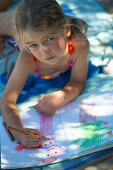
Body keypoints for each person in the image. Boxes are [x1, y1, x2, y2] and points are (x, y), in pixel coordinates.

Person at [1, 0, 89, 148]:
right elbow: (6, 102)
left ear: (66, 29)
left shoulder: (79, 45)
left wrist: (63, 95)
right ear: (26, 43)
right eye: (34, 45)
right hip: (16, 23)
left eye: (49, 39)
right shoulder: (28, 58)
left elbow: (78, 82)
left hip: (35, 23)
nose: (44, 51)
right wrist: (19, 132)